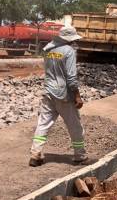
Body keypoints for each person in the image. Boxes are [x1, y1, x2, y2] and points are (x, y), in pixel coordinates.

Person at [29, 25, 87, 167]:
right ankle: (80, 156)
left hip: (48, 92)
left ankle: (35, 154)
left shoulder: (49, 50)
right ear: (69, 39)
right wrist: (77, 96)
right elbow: (71, 78)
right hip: (64, 95)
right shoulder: (69, 51)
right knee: (75, 127)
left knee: (43, 124)